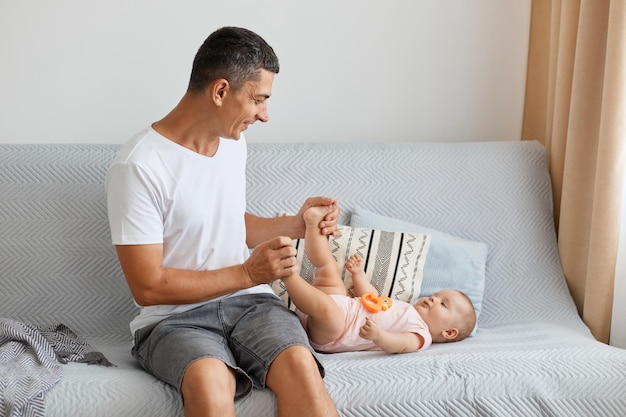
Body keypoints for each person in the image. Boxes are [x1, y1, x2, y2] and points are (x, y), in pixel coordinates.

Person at [105, 27, 340, 417]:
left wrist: (295, 226)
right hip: (175, 321)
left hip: (252, 307)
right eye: (258, 100)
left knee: (303, 370)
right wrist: (249, 272)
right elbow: (147, 286)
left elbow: (228, 223)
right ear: (220, 92)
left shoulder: (233, 141)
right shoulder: (139, 166)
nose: (264, 115)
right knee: (211, 382)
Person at [281, 205, 477, 354]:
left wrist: (379, 336)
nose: (433, 298)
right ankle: (313, 226)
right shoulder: (405, 307)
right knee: (327, 267)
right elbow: (370, 298)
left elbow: (401, 344)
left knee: (327, 310)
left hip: (335, 332)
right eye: (436, 295)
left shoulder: (421, 335)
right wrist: (358, 274)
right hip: (342, 302)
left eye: (443, 304)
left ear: (449, 332)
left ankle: (285, 273)